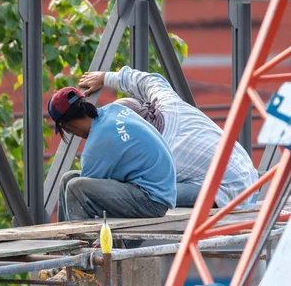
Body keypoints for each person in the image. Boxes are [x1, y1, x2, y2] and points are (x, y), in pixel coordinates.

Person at [78, 66, 259, 209]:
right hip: (247, 172)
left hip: (232, 192)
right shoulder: (168, 102)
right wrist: (106, 77)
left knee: (144, 194)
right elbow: (149, 80)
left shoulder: (157, 153)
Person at [47, 86, 177, 223]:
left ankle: (81, 240)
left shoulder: (98, 142)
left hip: (152, 201)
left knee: (75, 187)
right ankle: (65, 234)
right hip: (159, 189)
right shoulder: (114, 110)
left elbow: (84, 194)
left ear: (68, 125)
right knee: (68, 178)